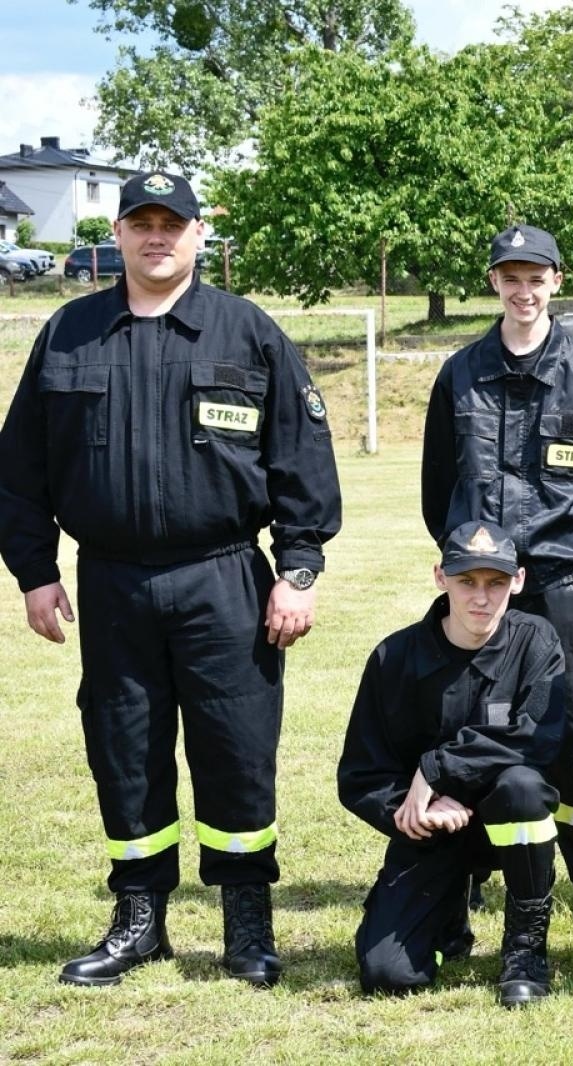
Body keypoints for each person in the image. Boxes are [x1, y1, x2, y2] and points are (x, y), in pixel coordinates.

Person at [0, 171, 342, 987]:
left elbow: (302, 462)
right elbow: (20, 470)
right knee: (124, 752)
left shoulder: (246, 331)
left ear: (199, 236)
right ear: (115, 235)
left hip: (223, 578)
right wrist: (35, 574)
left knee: (236, 750)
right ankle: (139, 918)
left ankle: (247, 925)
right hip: (112, 582)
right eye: (141, 223)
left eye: (173, 224)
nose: (158, 237)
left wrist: (297, 569)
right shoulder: (69, 334)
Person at [422, 223, 573, 930]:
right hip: (484, 581)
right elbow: (437, 484)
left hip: (568, 576)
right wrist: (468, 561)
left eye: (536, 276)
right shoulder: (460, 373)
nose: (524, 289)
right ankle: (476, 864)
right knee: (476, 718)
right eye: (510, 276)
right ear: (494, 282)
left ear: (557, 281)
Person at [338, 521, 566, 1008]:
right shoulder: (393, 657)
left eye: (496, 583)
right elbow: (361, 773)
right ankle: (448, 922)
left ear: (518, 581)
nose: (481, 598)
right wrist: (411, 807)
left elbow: (536, 738)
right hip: (431, 829)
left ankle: (525, 947)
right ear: (440, 576)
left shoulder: (536, 643)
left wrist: (438, 768)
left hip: (505, 819)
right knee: (389, 975)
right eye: (467, 581)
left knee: (523, 787)